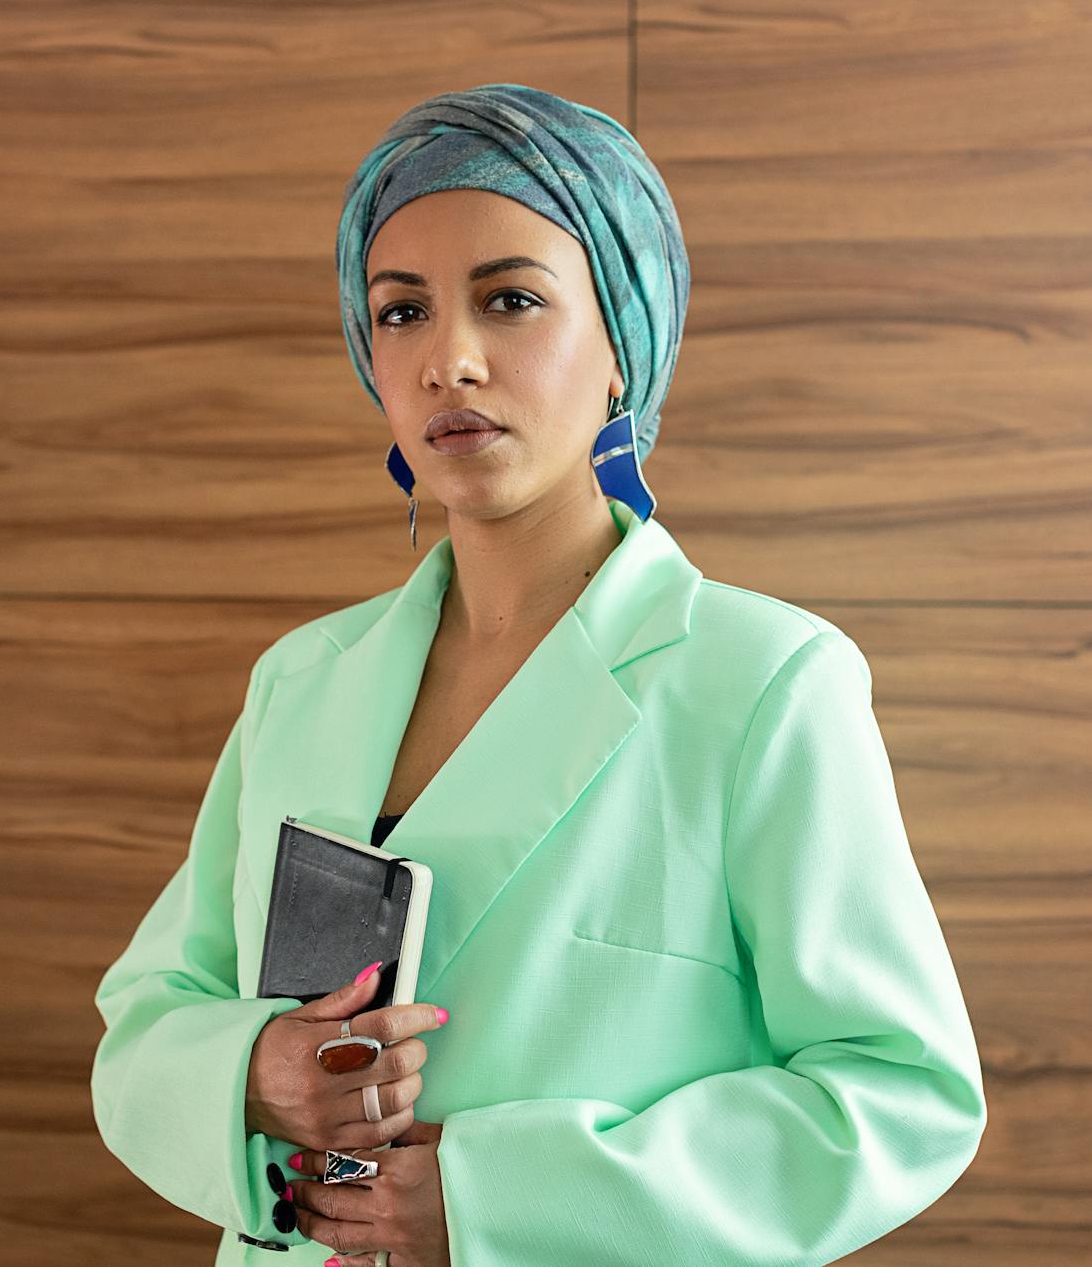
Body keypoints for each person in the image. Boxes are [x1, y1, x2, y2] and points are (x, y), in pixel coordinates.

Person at [90, 83, 986, 1267]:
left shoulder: (764, 682)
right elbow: (148, 1019)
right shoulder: (301, 680)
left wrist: (496, 1197)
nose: (449, 361)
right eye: (400, 312)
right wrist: (251, 1076)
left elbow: (896, 1095)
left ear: (623, 343)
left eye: (509, 300)